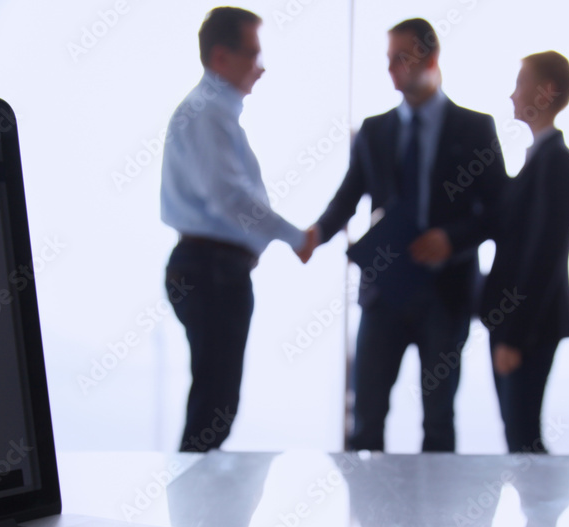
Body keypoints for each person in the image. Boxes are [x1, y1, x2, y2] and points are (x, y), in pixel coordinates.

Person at [310, 18, 506, 453]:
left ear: (431, 59)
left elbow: (497, 212)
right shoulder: (375, 130)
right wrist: (315, 234)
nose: (393, 69)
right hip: (385, 290)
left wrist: (451, 239)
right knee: (366, 419)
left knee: (438, 420)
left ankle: (433, 521)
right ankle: (365, 518)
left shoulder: (475, 129)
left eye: (402, 58)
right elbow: (348, 196)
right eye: (389, 60)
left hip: (446, 292)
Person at [161, 6, 317, 453]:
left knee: (214, 405)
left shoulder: (213, 113)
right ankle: (188, 519)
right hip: (212, 271)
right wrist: (296, 237)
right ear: (220, 57)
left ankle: (191, 516)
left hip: (211, 269)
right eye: (252, 54)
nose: (260, 67)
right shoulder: (208, 113)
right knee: (214, 408)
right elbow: (230, 200)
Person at [480, 51, 569, 453]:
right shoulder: (537, 160)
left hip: (528, 328)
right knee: (517, 432)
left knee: (524, 435)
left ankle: (545, 515)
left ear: (547, 91)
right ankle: (538, 515)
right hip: (516, 324)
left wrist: (514, 338)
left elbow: (544, 259)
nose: (512, 94)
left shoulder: (558, 164)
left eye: (520, 82)